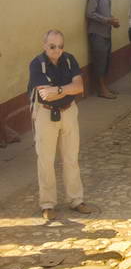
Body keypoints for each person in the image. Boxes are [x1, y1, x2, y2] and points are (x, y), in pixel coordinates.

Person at [28, 30, 92, 220]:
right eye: (52, 46)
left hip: (69, 112)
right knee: (46, 161)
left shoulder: (70, 60)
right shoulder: (36, 64)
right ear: (44, 45)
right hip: (46, 114)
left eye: (60, 46)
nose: (57, 50)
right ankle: (47, 204)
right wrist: (67, 89)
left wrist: (58, 90)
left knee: (71, 158)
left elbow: (79, 86)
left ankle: (76, 200)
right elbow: (44, 94)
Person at [85, 0, 119, 99]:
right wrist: (108, 20)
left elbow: (106, 14)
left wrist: (112, 21)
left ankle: (104, 87)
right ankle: (102, 90)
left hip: (106, 33)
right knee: (100, 61)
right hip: (97, 33)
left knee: (105, 61)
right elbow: (89, 13)